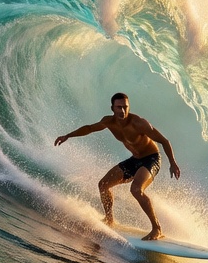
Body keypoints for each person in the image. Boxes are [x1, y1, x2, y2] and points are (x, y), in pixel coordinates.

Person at [54, 93, 181, 240]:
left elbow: (164, 141)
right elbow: (89, 128)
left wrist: (173, 163)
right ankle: (109, 219)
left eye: (125, 107)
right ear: (112, 108)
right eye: (119, 107)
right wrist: (68, 136)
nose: (122, 111)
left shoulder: (139, 123)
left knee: (136, 189)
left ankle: (157, 229)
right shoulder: (109, 122)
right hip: (135, 160)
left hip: (151, 159)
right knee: (103, 185)